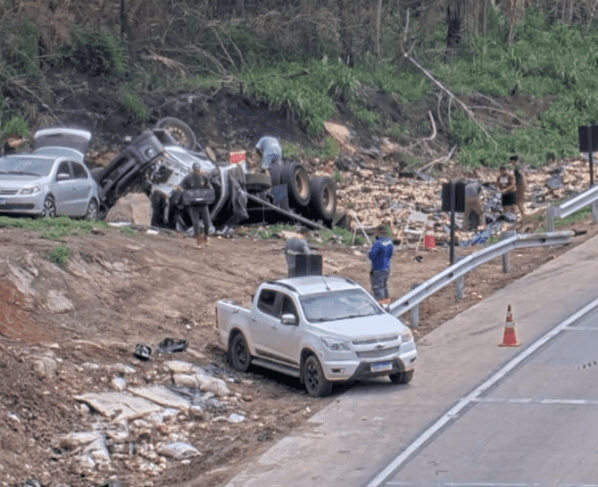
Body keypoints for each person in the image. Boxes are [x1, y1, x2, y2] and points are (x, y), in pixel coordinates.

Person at [178, 163, 212, 249]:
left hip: (203, 204)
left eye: (198, 170)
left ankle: (206, 237)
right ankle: (199, 241)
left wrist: (207, 194)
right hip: (193, 205)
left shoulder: (203, 177)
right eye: (195, 170)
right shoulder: (188, 178)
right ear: (193, 170)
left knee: (207, 223)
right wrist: (185, 193)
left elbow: (209, 187)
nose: (197, 171)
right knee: (196, 224)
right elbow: (179, 186)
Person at [368, 224, 394, 306]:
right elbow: (391, 253)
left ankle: (380, 305)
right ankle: (387, 301)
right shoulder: (389, 241)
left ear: (378, 232)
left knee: (377, 286)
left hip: (378, 267)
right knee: (384, 285)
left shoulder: (378, 243)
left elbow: (371, 255)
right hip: (387, 266)